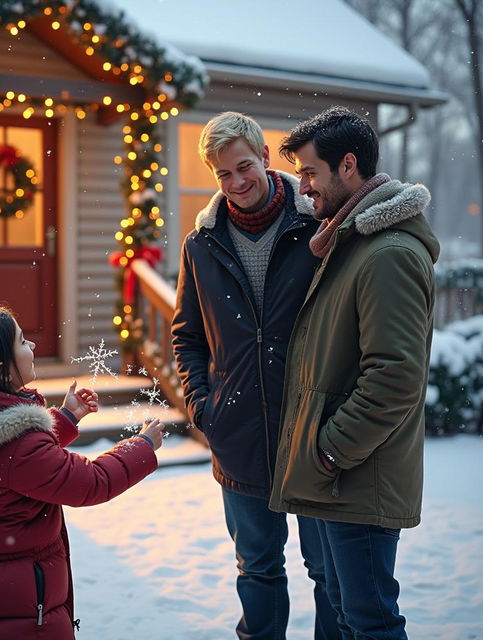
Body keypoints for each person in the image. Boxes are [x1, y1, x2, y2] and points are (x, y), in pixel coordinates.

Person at [269, 106, 440, 640]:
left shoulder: (386, 253)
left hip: (357, 476)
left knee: (369, 621)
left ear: (349, 166)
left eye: (310, 173)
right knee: (344, 612)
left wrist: (328, 450)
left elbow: (394, 377)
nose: (304, 188)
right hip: (336, 476)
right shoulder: (346, 242)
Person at [172, 111, 340, 639]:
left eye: (244, 166)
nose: (237, 183)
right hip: (238, 435)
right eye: (223, 175)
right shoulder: (201, 244)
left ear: (265, 157)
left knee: (329, 574)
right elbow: (188, 336)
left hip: (312, 433)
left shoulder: (317, 222)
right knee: (258, 571)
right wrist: (205, 408)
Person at [0, 305, 164, 640]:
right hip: (16, 612)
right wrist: (141, 446)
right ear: (2, 372)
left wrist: (66, 419)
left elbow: (9, 462)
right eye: (23, 342)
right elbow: (89, 483)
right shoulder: (18, 447)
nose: (33, 347)